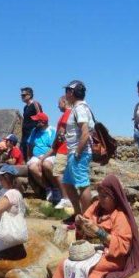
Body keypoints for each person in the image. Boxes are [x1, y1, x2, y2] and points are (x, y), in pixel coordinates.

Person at [43, 175, 139, 278]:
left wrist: (99, 231)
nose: (101, 200)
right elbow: (84, 220)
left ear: (114, 197)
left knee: (90, 271)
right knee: (65, 263)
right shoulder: (96, 207)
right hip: (90, 250)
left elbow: (122, 245)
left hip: (111, 256)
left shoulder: (120, 216)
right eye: (100, 195)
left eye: (105, 196)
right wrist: (79, 222)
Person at [61, 80, 95, 217]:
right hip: (74, 151)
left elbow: (85, 132)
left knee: (82, 184)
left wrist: (77, 152)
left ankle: (87, 218)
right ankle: (77, 214)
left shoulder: (80, 108)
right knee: (68, 183)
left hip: (79, 152)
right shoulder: (78, 108)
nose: (65, 94)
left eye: (67, 91)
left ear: (72, 92)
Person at [25, 112, 56, 201]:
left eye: (37, 121)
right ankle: (48, 188)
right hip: (36, 155)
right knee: (32, 167)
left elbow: (53, 148)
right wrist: (29, 157)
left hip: (49, 155)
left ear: (42, 122)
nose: (34, 122)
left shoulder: (52, 131)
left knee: (46, 165)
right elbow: (30, 145)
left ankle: (56, 188)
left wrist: (42, 158)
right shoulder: (34, 131)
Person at [19, 87, 43, 160]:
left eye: (24, 95)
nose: (22, 97)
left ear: (29, 95)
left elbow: (41, 118)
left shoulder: (35, 104)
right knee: (24, 150)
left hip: (33, 133)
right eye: (21, 95)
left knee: (31, 153)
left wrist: (36, 129)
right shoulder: (25, 107)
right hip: (25, 133)